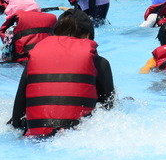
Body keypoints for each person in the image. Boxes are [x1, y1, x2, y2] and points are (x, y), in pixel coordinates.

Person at [10, 9, 115, 137]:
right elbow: (108, 108)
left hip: (36, 136)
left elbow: (17, 113)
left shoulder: (35, 57)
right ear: (88, 36)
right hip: (77, 136)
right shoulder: (100, 63)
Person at [0, 0, 57, 64]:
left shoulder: (15, 25)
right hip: (49, 59)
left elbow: (6, 54)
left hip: (24, 63)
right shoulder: (51, 18)